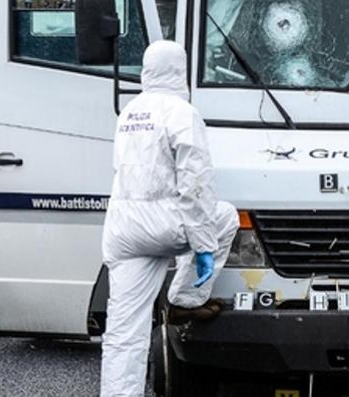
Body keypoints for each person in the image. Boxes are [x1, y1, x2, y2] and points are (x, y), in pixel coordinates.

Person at [100, 40, 239, 397]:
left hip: (123, 231)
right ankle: (185, 300)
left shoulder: (130, 113)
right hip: (164, 226)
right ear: (181, 69)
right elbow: (195, 186)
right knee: (224, 215)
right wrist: (204, 246)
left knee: (123, 334)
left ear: (147, 71)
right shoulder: (182, 112)